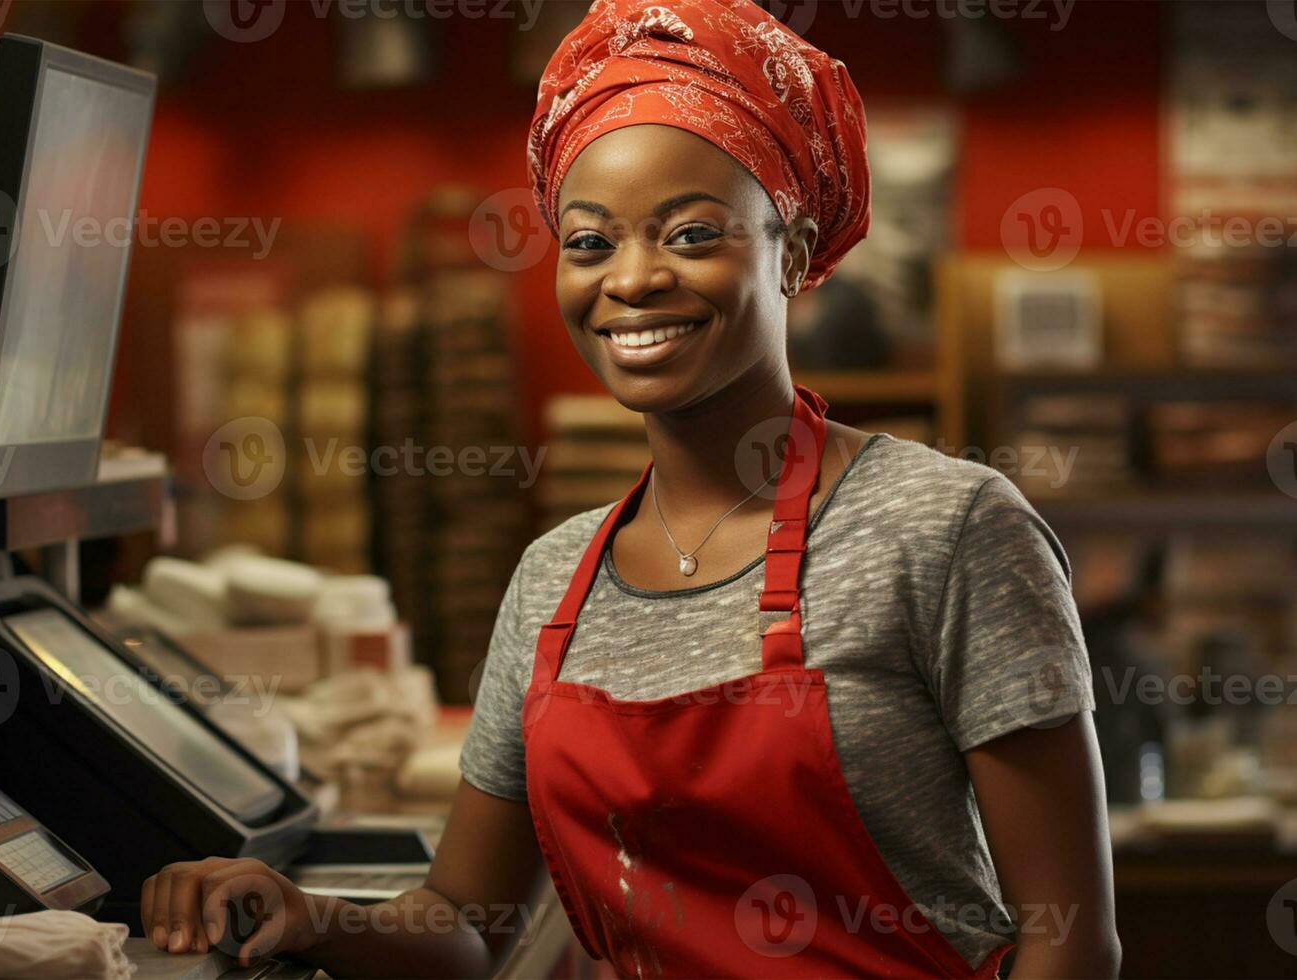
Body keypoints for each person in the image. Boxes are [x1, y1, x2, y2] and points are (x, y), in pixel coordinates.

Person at [141, 1, 1120, 976]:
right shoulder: (551, 580)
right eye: (589, 241)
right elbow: (463, 919)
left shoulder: (945, 527)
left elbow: (1069, 940)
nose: (632, 278)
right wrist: (309, 914)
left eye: (692, 235)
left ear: (794, 247)